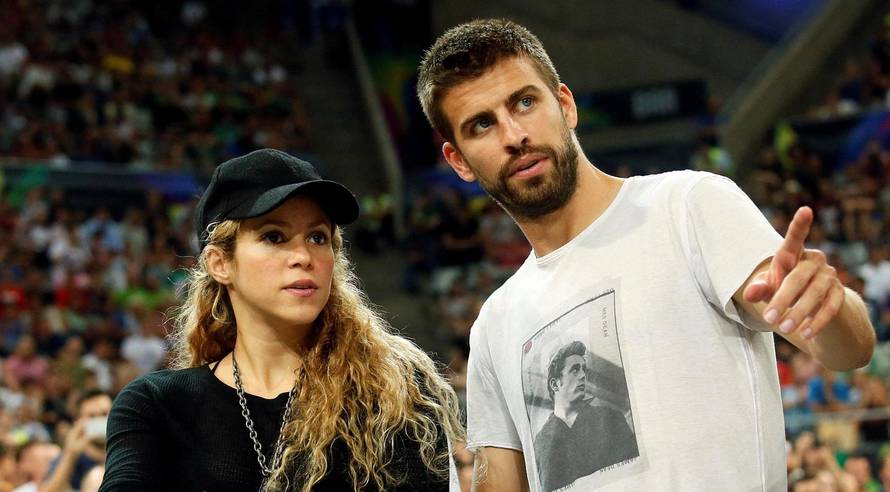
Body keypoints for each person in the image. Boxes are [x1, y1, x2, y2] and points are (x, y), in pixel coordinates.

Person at [416, 18, 875, 491]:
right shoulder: (494, 325)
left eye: (526, 102)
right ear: (458, 161)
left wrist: (829, 308)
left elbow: (849, 349)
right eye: (482, 125)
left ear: (566, 105)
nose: (514, 134)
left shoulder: (688, 206)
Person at [99, 149, 464, 491]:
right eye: (274, 236)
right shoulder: (156, 405)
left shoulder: (395, 393)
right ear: (220, 263)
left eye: (318, 237)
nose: (304, 256)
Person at [533, 341, 636, 492]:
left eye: (583, 370)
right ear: (555, 385)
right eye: (575, 370)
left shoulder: (612, 419)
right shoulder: (541, 442)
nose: (582, 375)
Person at [39, 390, 111, 492]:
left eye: (104, 414)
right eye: (92, 416)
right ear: (79, 421)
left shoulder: (128, 448)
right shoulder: (71, 457)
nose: (99, 420)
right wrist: (70, 455)